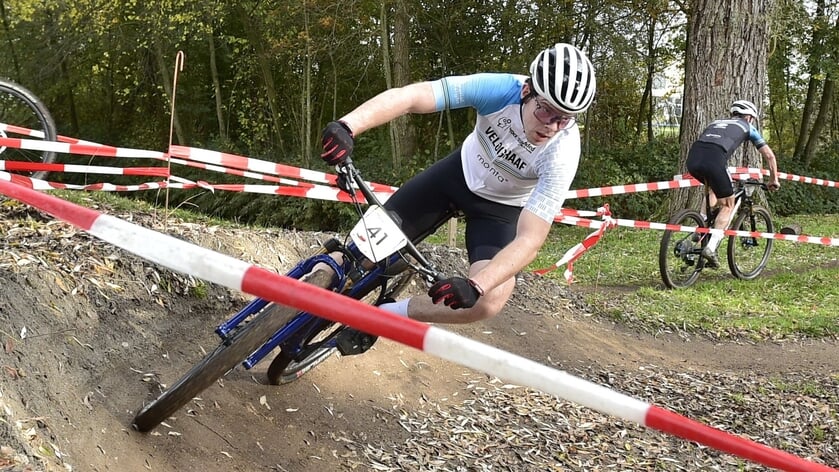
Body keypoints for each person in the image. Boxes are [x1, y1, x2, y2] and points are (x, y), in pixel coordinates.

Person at [320, 43, 596, 353]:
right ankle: (292, 295)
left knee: (490, 300)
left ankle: (382, 317)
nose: (551, 126)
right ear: (526, 91)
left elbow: (530, 239)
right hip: (454, 176)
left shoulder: (563, 153)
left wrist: (477, 285)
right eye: (546, 110)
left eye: (565, 118)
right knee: (355, 253)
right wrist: (349, 125)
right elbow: (414, 96)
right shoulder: (501, 90)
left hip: (500, 211)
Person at [685, 99, 780, 268]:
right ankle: (711, 248)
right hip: (715, 161)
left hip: (693, 159)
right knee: (729, 204)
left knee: (715, 190)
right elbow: (770, 156)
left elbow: (711, 146)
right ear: (749, 117)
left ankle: (700, 224)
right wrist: (773, 179)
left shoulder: (717, 122)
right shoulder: (748, 127)